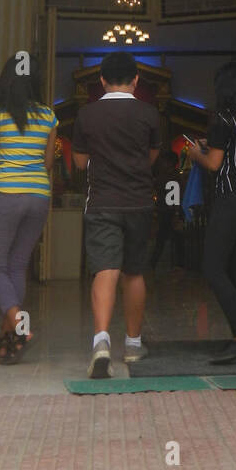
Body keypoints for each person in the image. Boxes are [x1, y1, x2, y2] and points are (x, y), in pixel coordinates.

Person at [71, 52, 161, 378]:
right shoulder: (149, 114)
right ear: (136, 80)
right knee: (134, 273)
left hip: (102, 203)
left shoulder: (87, 115)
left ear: (102, 80)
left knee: (105, 270)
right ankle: (133, 346)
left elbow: (80, 163)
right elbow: (151, 155)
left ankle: (101, 341)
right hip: (138, 202)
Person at [187, 60, 236, 363]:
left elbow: (215, 164)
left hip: (230, 198)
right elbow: (234, 150)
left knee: (213, 267)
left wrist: (196, 152)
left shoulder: (222, 118)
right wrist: (212, 144)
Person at [0, 55, 57, 364]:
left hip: (8, 193)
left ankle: (20, 324)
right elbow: (49, 163)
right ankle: (8, 335)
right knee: (16, 266)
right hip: (39, 195)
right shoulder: (49, 117)